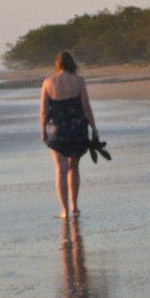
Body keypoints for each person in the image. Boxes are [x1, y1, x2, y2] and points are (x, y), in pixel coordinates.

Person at [40, 51, 98, 218]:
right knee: (74, 167)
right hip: (77, 128)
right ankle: (75, 206)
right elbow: (86, 106)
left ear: (57, 64)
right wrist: (94, 127)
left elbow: (44, 111)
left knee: (61, 169)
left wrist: (43, 131)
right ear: (72, 63)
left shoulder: (48, 82)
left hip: (57, 130)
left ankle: (64, 210)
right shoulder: (79, 81)